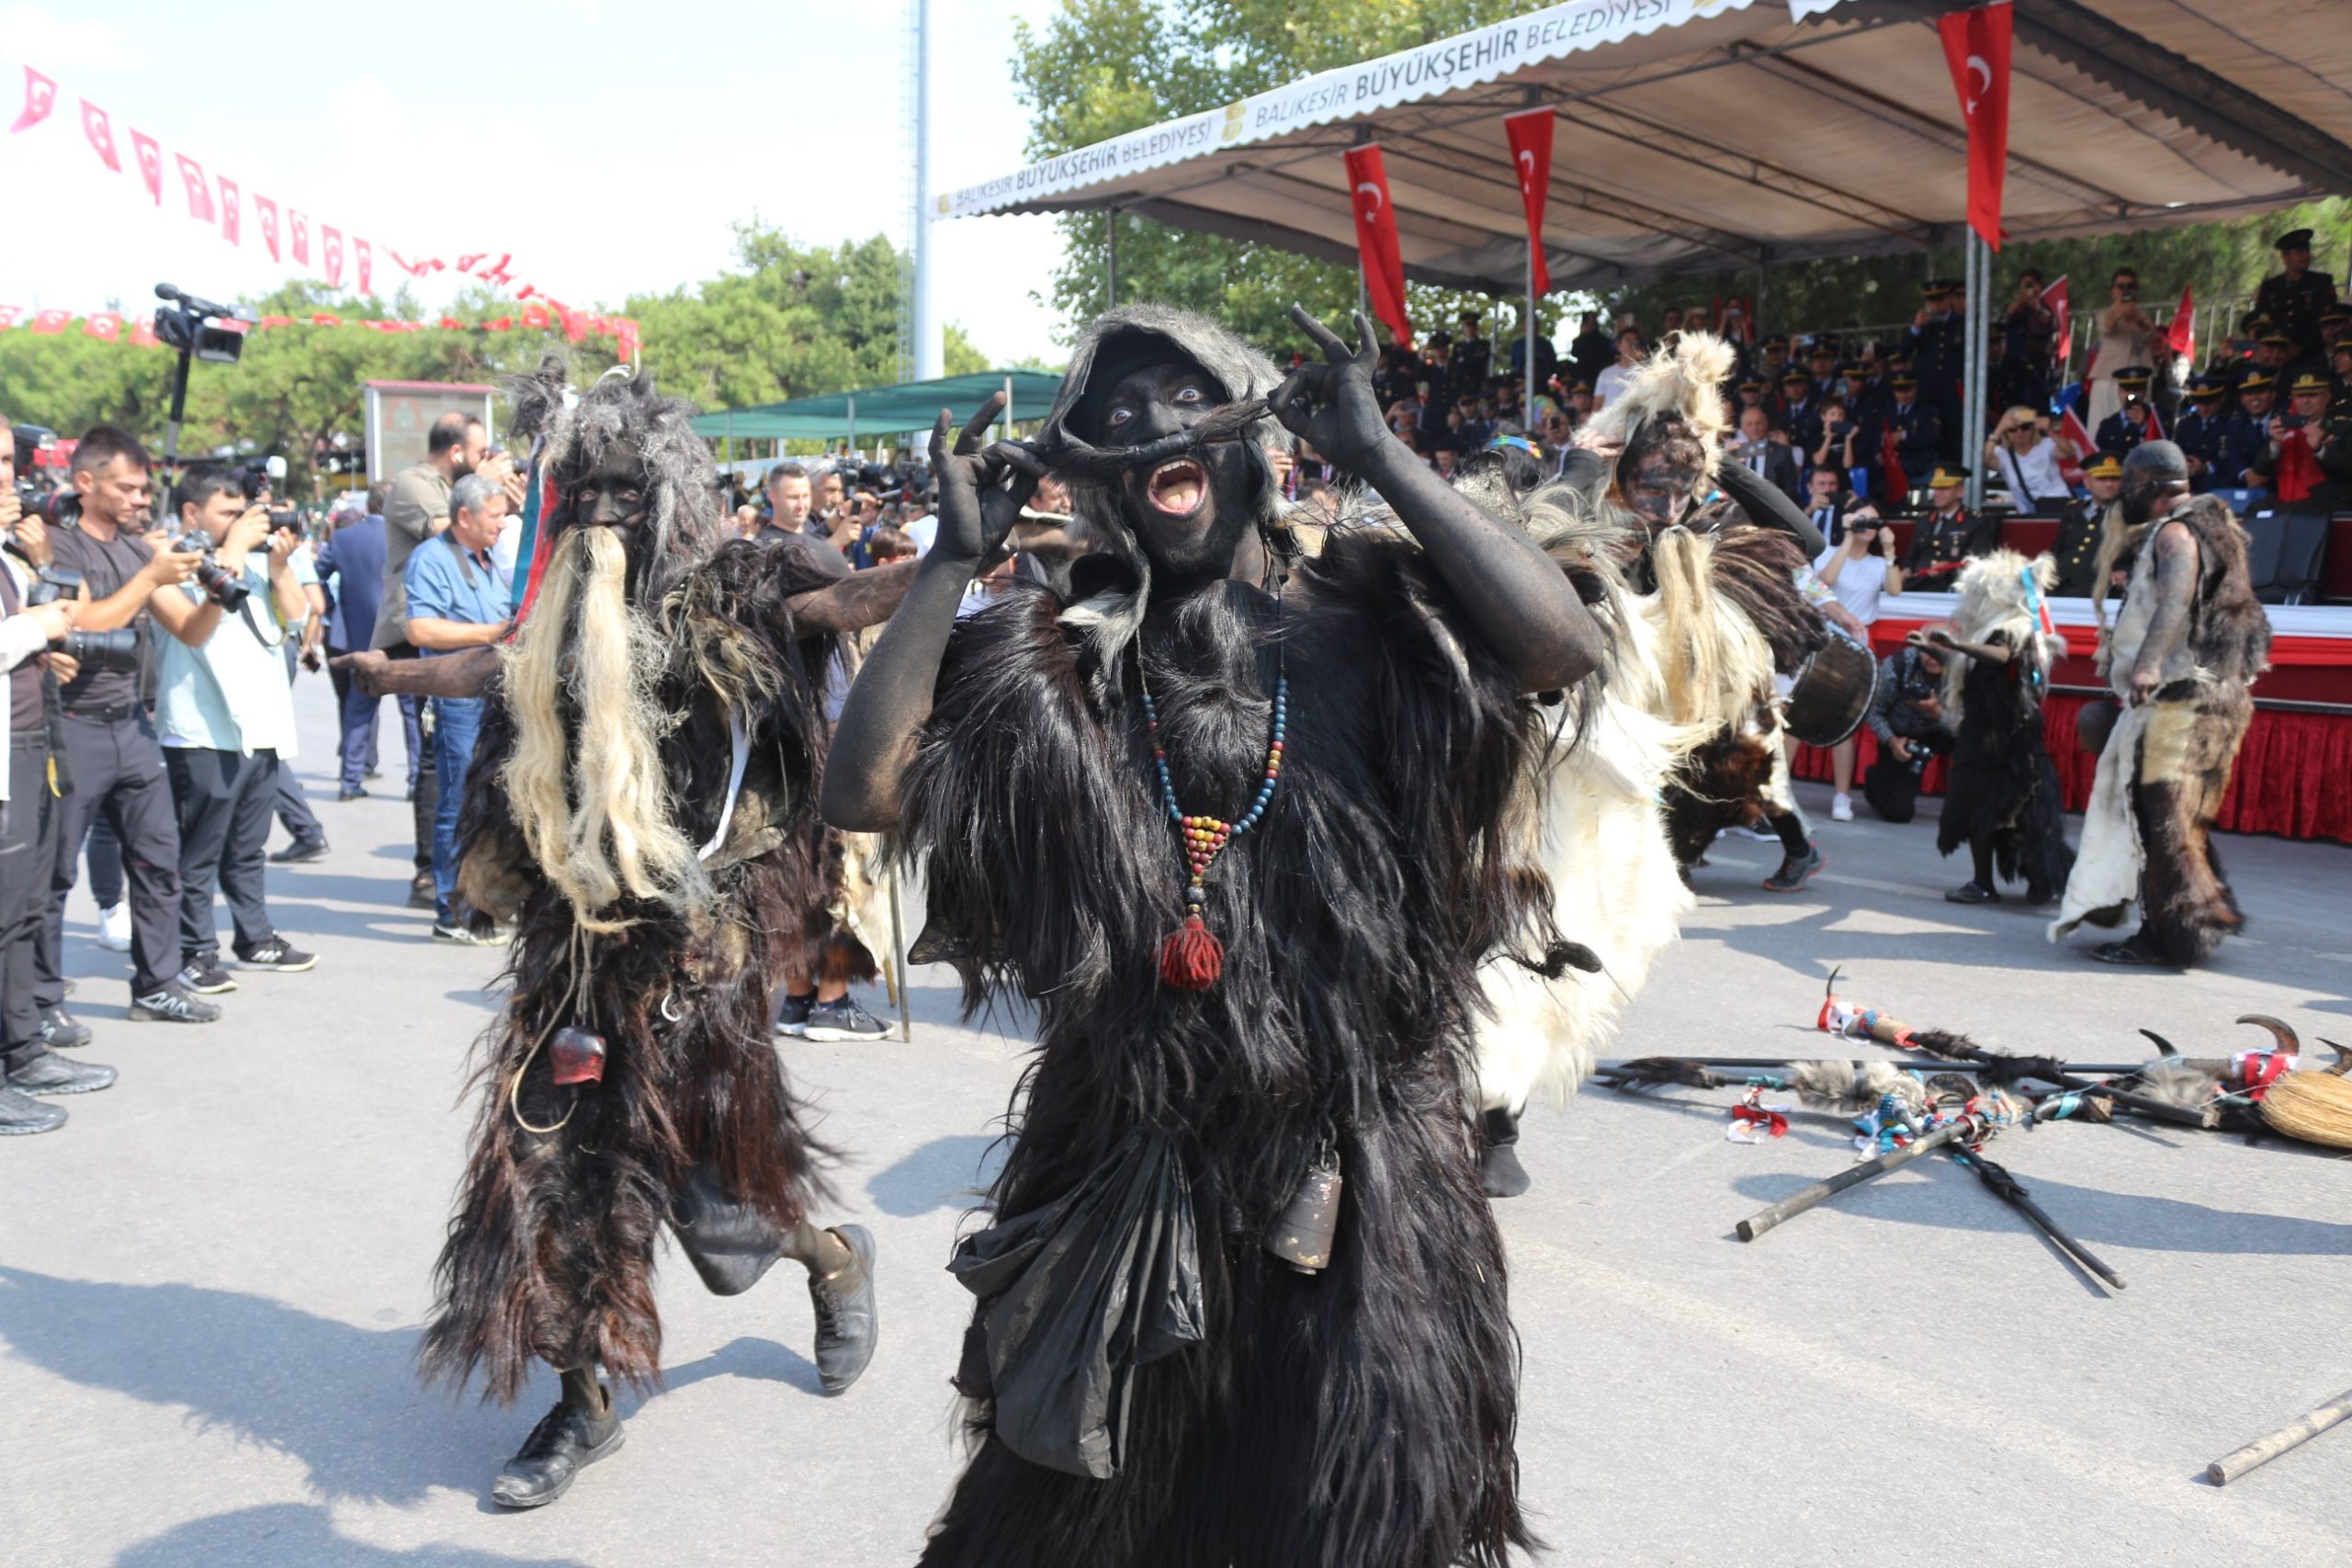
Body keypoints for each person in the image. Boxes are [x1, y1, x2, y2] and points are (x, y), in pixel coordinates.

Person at [825, 302, 1598, 1565]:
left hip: (1362, 1178)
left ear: (1252, 442)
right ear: (1100, 480)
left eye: (1180, 401)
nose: (1146, 429)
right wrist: (950, 562)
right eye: (1115, 419)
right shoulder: (1057, 667)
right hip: (1127, 1165)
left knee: (1347, 1519)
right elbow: (862, 792)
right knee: (1063, 1519)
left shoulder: (1370, 626)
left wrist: (1385, 453)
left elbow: (1556, 645)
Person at [366, 364, 893, 1508]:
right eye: (584, 494)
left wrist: (953, 557)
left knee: (719, 1211)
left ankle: (832, 1257)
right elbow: (485, 671)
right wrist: (384, 671)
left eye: (625, 494)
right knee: (549, 1185)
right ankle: (581, 1406)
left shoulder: (732, 600)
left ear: (666, 501)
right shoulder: (555, 623)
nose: (601, 516)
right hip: (570, 965)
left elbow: (838, 607)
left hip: (700, 966)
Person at [2054, 442, 2270, 966]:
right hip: (2214, 693)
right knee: (2183, 817)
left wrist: (2148, 664)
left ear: (2149, 488)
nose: (2123, 497)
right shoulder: (2216, 527)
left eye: (2128, 487)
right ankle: (2205, 915)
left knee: (2162, 821)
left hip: (2182, 696)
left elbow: (2175, 599)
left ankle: (2171, 937)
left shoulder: (2176, 533)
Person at [38, 429, 219, 1030]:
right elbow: (79, 624)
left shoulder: (140, 551)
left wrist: (220, 590)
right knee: (55, 872)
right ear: (85, 483)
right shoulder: (61, 546)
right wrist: (151, 576)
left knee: (157, 859)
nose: (139, 497)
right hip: (72, 726)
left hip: (131, 728)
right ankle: (40, 1000)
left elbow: (190, 630)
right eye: (126, 486)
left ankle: (157, 983)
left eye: (143, 488)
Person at [149, 463, 319, 993]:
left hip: (261, 726)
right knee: (198, 852)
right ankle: (195, 951)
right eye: (228, 513)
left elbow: (295, 619)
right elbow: (194, 629)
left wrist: (278, 564)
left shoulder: (252, 560)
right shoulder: (170, 563)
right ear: (191, 513)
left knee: (248, 847)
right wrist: (230, 552)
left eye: (242, 510)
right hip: (203, 728)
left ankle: (255, 937)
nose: (241, 520)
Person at [0, 429, 120, 1125]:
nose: (10, 478)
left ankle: (23, 1047)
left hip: (30, 741)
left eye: (10, 464)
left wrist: (45, 649)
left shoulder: (10, 549)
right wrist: (34, 628)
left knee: (23, 908)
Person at [377, 412, 491, 912]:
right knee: (441, 772)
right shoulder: (412, 485)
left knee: (455, 775)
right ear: (458, 452)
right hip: (425, 650)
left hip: (470, 665)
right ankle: (438, 882)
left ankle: (455, 882)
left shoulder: (481, 550)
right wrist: (490, 491)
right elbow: (450, 525)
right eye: (482, 453)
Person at [1922, 553, 2075, 907]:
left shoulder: (2011, 630)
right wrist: (1938, 650)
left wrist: (1956, 645)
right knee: (1997, 813)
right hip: (1993, 733)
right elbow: (1979, 667)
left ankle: (2011, 881)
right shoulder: (1998, 630)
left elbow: (2000, 656)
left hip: (2002, 737)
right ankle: (1993, 881)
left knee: (2013, 813)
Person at [400, 472, 512, 942]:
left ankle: (483, 898)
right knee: (458, 801)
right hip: (457, 699)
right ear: (464, 516)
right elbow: (420, 631)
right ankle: (451, 909)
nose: (503, 525)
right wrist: (490, 633)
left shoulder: (490, 560)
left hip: (495, 696)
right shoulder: (431, 558)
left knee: (492, 801)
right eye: (495, 516)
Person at [1811, 506, 1902, 821]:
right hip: (1824, 640)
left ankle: (1842, 796)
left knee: (1845, 722)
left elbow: (1894, 589)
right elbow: (1826, 580)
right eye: (1862, 519)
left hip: (1859, 644)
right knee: (1796, 715)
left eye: (1873, 521)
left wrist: (1890, 551)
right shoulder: (1829, 552)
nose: (1868, 526)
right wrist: (1848, 536)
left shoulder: (1878, 563)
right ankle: (1777, 792)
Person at [316, 482, 394, 801]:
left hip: (359, 636)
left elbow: (316, 575)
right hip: (403, 637)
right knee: (413, 715)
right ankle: (418, 779)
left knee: (358, 708)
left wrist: (334, 611)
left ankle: (349, 780)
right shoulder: (411, 537)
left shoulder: (344, 538)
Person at [1859, 633, 1950, 824]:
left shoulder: (1962, 673)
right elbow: (1874, 711)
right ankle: (1877, 779)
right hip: (1901, 734)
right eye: (1928, 652)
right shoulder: (1896, 665)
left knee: (1978, 741)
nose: (1933, 659)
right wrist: (1892, 741)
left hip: (1942, 731)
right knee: (1898, 813)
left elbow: (1969, 723)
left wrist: (1938, 714)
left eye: (1940, 653)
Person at [2253, 228, 2339, 366]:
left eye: (2307, 251)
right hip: (2277, 355)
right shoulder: (2270, 286)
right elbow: (2263, 318)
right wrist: (2275, 347)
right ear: (2285, 257)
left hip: (2310, 353)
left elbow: (2324, 317)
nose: (2306, 256)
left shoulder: (2321, 282)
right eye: (2299, 252)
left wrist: (2300, 346)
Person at [2086, 269, 2159, 431]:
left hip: (2139, 379)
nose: (2125, 290)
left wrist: (2138, 320)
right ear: (2113, 290)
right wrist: (2120, 312)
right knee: (2103, 425)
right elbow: (2106, 328)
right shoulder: (2105, 313)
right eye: (2121, 286)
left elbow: (2151, 337)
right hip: (2109, 377)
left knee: (2137, 423)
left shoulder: (2142, 316)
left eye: (2131, 286)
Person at [1904, 467, 1994, 585]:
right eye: (1935, 488)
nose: (1937, 493)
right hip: (1918, 585)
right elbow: (1911, 558)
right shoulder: (1923, 520)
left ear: (1960, 491)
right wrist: (1906, 571)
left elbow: (1978, 563)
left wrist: (1949, 568)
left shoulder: (1975, 521)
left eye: (1943, 488)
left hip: (1952, 587)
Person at [2050, 454, 2125, 595]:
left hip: (2100, 589)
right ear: (2087, 482)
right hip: (2061, 585)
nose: (2109, 484)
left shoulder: (2129, 513)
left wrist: (2124, 570)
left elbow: (2137, 550)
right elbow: (2057, 549)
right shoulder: (2072, 510)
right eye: (2101, 479)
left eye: (2115, 479)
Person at [1986, 404, 2075, 513]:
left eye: (2025, 427)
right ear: (2006, 432)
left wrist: (2050, 431)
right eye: (2013, 429)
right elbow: (1985, 460)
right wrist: (1998, 430)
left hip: (2060, 506)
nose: (2020, 432)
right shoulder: (2002, 454)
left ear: (2033, 428)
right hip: (2030, 513)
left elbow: (2069, 452)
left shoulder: (2046, 445)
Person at [1728, 403, 1802, 503]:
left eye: (1759, 423)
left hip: (1773, 507)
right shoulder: (1735, 452)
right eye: (1749, 424)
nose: (1754, 427)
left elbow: (1791, 488)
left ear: (1767, 424)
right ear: (1742, 428)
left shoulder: (1782, 452)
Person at [2096, 367, 2161, 458]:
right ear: (2119, 391)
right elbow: (2100, 456)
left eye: (2136, 390)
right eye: (2126, 390)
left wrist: (2144, 426)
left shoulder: (2157, 418)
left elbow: (2162, 450)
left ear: (2145, 390)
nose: (2131, 395)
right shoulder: (2107, 425)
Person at [1594, 325, 1645, 408]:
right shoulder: (1606, 373)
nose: (1632, 343)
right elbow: (1597, 406)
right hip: (1611, 420)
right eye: (1628, 339)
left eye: (1635, 340)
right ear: (1618, 345)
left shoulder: (1646, 373)